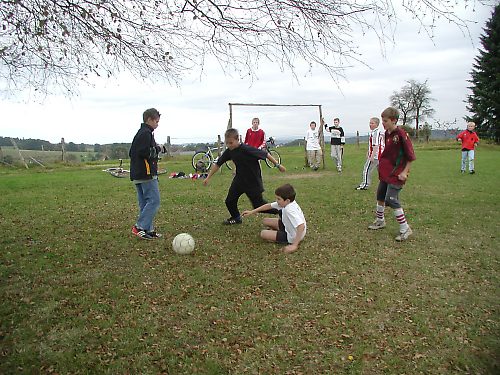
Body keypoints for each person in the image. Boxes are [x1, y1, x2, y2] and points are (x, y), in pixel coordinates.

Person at [203, 128, 286, 225]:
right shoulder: (229, 151)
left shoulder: (246, 149)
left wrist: (278, 165)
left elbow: (266, 154)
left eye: (231, 143)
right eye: (227, 143)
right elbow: (218, 164)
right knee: (229, 201)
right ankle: (236, 217)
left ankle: (281, 211)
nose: (229, 145)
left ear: (237, 139)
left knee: (258, 205)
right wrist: (208, 177)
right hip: (239, 180)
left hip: (253, 181)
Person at [368, 107, 416, 241]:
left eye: (385, 121)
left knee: (391, 199)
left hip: (397, 173)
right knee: (380, 195)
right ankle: (380, 220)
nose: (383, 123)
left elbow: (410, 156)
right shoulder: (387, 133)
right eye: (382, 121)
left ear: (394, 120)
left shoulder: (401, 134)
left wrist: (405, 172)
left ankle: (405, 228)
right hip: (386, 172)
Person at [129, 108, 167, 240]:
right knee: (154, 201)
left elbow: (132, 152)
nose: (157, 124)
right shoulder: (146, 133)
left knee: (145, 203)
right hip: (146, 174)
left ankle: (147, 230)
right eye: (156, 121)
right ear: (149, 120)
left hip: (137, 174)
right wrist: (158, 148)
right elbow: (144, 152)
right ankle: (139, 226)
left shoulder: (140, 133)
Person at [242, 183, 306, 254]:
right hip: (288, 227)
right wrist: (252, 212)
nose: (276, 200)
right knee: (265, 221)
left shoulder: (289, 209)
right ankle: (278, 232)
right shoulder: (288, 203)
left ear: (287, 200)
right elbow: (268, 206)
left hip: (293, 236)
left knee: (263, 233)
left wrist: (294, 245)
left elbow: (301, 226)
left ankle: (283, 237)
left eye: (278, 199)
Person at [355, 117, 385, 190]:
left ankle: (365, 185)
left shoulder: (376, 133)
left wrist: (372, 156)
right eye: (370, 123)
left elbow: (376, 145)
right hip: (379, 156)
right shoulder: (377, 132)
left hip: (375, 156)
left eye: (372, 123)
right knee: (381, 171)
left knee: (366, 169)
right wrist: (368, 152)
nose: (370, 124)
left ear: (377, 124)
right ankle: (385, 184)